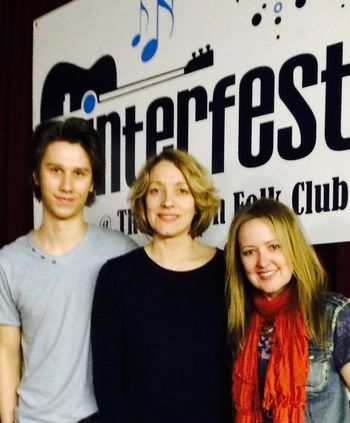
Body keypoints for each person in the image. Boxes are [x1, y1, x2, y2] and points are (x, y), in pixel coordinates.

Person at [0, 117, 137, 423]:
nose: (66, 186)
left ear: (92, 182)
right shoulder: (8, 262)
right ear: (36, 174)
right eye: (55, 170)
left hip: (99, 417)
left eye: (79, 173)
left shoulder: (121, 253)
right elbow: (7, 357)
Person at [91, 148, 232, 423]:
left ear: (198, 201)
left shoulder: (229, 271)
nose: (168, 202)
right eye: (156, 191)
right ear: (143, 202)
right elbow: (108, 381)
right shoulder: (116, 277)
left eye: (181, 191)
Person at [225, 197, 350, 422]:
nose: (263, 262)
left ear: (293, 248)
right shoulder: (239, 323)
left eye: (274, 246)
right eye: (249, 252)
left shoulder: (333, 316)